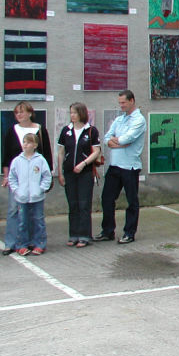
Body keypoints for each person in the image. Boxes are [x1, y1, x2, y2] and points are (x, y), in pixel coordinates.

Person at [94, 90, 146, 244]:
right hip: (115, 166)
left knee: (132, 201)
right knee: (107, 198)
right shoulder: (119, 119)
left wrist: (117, 141)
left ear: (132, 101)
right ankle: (107, 231)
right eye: (120, 103)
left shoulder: (139, 120)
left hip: (130, 167)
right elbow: (106, 138)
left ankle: (129, 233)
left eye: (123, 102)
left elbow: (127, 139)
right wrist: (118, 142)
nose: (121, 105)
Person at [1, 101, 52, 255]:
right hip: (19, 179)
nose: (19, 115)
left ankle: (33, 242)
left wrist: (45, 182)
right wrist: (6, 175)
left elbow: (47, 154)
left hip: (35, 179)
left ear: (30, 113)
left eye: (22, 112)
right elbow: (7, 155)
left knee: (34, 213)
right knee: (14, 210)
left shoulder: (40, 130)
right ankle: (11, 243)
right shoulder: (12, 131)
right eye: (17, 112)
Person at [57, 102, 101, 248]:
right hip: (69, 172)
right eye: (71, 113)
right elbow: (61, 152)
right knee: (73, 204)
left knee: (84, 204)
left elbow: (96, 151)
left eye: (75, 112)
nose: (72, 115)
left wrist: (83, 163)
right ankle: (73, 234)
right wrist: (60, 172)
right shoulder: (66, 131)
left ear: (82, 113)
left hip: (85, 173)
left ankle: (84, 235)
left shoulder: (91, 131)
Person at [8, 133, 52, 256]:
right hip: (21, 198)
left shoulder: (40, 160)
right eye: (24, 142)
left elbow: (46, 176)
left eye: (28, 142)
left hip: (37, 197)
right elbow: (12, 177)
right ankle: (22, 245)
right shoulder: (17, 161)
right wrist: (17, 190)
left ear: (35, 145)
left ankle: (39, 244)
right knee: (22, 221)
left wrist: (41, 189)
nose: (25, 145)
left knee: (38, 220)